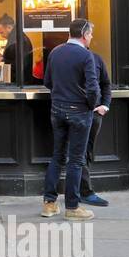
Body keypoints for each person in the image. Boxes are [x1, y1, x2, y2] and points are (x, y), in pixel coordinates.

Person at [39, 18, 102, 221]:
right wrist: (91, 105)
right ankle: (73, 207)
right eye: (91, 34)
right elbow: (93, 88)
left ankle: (49, 204)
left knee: (57, 156)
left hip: (57, 110)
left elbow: (47, 81)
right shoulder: (86, 56)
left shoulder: (55, 52)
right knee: (75, 160)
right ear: (84, 35)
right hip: (80, 113)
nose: (91, 37)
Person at [73, 45, 112, 207]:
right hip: (73, 112)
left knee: (87, 151)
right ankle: (84, 191)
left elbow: (106, 84)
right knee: (77, 153)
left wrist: (105, 106)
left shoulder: (96, 59)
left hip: (94, 113)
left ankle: (82, 190)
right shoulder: (67, 58)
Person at [0, 15, 33, 83]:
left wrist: (3, 60)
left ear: (9, 27)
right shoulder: (17, 38)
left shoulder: (18, 40)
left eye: (1, 32)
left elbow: (22, 63)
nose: (1, 36)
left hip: (19, 82)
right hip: (19, 81)